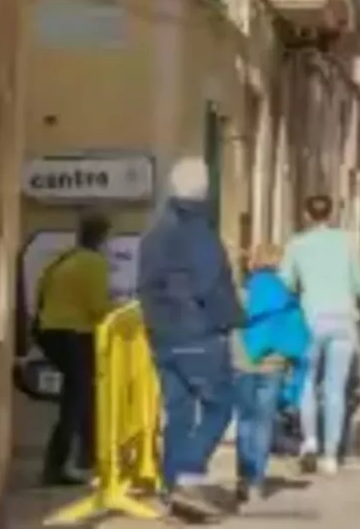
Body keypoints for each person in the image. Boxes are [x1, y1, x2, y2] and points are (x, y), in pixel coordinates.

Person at [137, 157, 244, 520]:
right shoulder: (200, 233)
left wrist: (154, 328)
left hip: (162, 338)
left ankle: (172, 491)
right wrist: (231, 320)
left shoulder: (153, 235)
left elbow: (146, 288)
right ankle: (187, 473)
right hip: (199, 334)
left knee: (178, 413)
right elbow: (212, 286)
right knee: (220, 405)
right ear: (205, 192)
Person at [280, 194, 360, 474]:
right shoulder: (347, 242)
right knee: (335, 388)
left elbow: (286, 283)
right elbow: (359, 285)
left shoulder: (297, 245)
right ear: (331, 215)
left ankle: (310, 440)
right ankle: (331, 455)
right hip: (343, 320)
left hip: (311, 320)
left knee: (306, 383)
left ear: (307, 215)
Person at [34, 212, 113, 486]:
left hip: (49, 331)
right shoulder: (94, 263)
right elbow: (98, 308)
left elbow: (41, 295)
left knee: (81, 394)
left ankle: (84, 456)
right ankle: (63, 463)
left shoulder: (61, 260)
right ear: (102, 238)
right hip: (73, 334)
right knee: (78, 397)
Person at [232, 243, 309, 505]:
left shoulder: (242, 293)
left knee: (244, 421)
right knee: (264, 422)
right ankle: (257, 481)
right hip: (273, 366)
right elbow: (298, 336)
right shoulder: (286, 296)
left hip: (242, 364)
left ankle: (243, 476)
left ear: (253, 262)